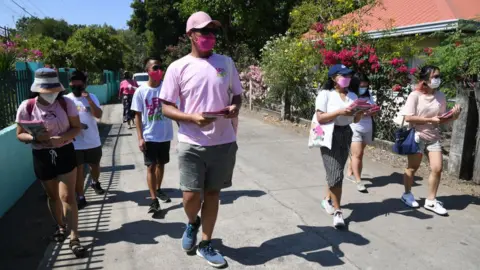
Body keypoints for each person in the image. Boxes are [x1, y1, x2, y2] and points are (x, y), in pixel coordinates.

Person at [159, 11, 242, 268]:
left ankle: (206, 242)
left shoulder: (226, 63)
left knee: (213, 193)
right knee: (190, 197)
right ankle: (192, 222)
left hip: (223, 141)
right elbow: (166, 107)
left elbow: (237, 95)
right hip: (191, 142)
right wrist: (191, 118)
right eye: (204, 32)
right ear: (191, 36)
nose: (209, 36)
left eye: (212, 32)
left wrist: (234, 107)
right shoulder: (177, 67)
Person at [16, 68, 85, 257]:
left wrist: (60, 138)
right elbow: (20, 134)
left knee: (67, 196)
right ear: (37, 90)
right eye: (47, 91)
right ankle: (61, 226)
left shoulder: (66, 103)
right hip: (41, 156)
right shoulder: (27, 107)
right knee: (53, 195)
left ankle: (74, 236)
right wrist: (34, 138)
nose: (52, 94)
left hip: (64, 152)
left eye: (55, 90)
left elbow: (77, 128)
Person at [401, 65, 461, 215]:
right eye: (434, 76)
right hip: (417, 136)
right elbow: (408, 117)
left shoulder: (440, 96)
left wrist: (453, 116)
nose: (438, 79)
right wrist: (430, 120)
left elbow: (439, 119)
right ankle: (407, 194)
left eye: (438, 76)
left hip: (433, 137)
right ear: (425, 80)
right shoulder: (415, 96)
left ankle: (431, 200)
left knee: (437, 168)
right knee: (412, 168)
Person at [317, 64, 362, 228]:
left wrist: (361, 113)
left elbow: (355, 120)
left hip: (346, 134)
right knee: (336, 174)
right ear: (333, 78)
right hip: (329, 134)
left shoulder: (352, 95)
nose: (347, 78)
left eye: (349, 75)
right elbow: (320, 118)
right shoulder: (325, 94)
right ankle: (338, 212)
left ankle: (327, 199)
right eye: (344, 75)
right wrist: (339, 112)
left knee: (336, 171)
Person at [131, 57, 173, 214]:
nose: (159, 71)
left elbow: (175, 108)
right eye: (155, 68)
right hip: (149, 136)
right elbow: (137, 116)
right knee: (151, 166)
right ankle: (154, 200)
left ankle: (159, 188)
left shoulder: (168, 89)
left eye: (161, 67)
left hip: (165, 135)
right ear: (147, 70)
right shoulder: (141, 91)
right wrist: (140, 137)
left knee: (161, 164)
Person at [65, 70, 104, 210]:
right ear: (69, 84)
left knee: (95, 166)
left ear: (85, 85)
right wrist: (76, 126)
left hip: (93, 140)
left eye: (79, 86)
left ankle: (95, 182)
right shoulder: (66, 100)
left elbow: (98, 115)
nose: (76, 89)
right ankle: (81, 197)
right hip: (75, 143)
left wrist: (88, 100)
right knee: (79, 171)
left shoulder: (92, 97)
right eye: (73, 86)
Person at [346, 74, 376, 192]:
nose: (363, 88)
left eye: (366, 86)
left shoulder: (369, 95)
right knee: (357, 154)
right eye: (361, 86)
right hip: (355, 127)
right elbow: (347, 111)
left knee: (359, 154)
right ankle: (359, 181)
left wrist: (372, 111)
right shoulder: (351, 95)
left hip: (367, 127)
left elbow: (373, 108)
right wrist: (359, 113)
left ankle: (350, 170)